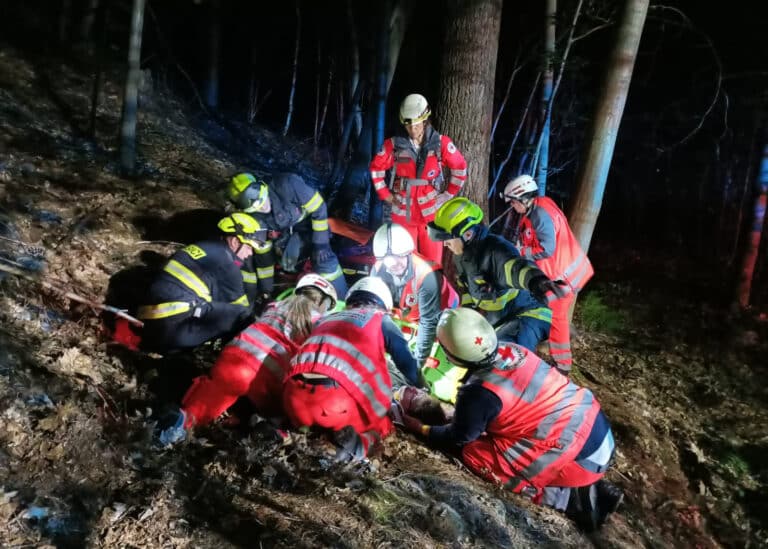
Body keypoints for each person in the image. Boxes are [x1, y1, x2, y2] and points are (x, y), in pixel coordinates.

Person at [396, 307, 623, 532]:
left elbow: (457, 438)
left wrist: (421, 428)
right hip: (595, 427)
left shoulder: (479, 393)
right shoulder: (512, 350)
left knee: (475, 454)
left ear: (451, 353)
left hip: (578, 455)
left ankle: (575, 502)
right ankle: (591, 486)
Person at [156, 274, 338, 445]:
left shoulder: (275, 305)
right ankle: (262, 427)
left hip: (233, 360)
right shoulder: (318, 323)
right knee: (284, 414)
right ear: (322, 301)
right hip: (267, 378)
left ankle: (174, 426)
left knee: (200, 407)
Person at [282, 276, 421, 462]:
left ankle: (282, 433)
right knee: (384, 425)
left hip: (293, 399)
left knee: (305, 424)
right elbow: (407, 364)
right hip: (335, 406)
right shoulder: (381, 320)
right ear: (383, 305)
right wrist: (422, 387)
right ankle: (351, 450)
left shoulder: (325, 319)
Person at [428, 197, 566, 355]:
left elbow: (516, 268)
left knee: (505, 356)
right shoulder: (461, 256)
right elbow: (467, 289)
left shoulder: (495, 250)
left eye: (448, 239)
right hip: (501, 318)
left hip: (528, 314)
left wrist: (536, 280)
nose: (445, 244)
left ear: (466, 234)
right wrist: (467, 317)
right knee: (477, 352)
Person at [136, 213, 270, 354]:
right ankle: (218, 354)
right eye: (249, 247)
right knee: (239, 313)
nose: (250, 254)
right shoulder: (227, 265)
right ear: (235, 242)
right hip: (171, 328)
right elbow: (242, 311)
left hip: (148, 317)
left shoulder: (203, 246)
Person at [501, 175, 594, 373]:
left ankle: (562, 366)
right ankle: (560, 362)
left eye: (513, 203)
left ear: (523, 198)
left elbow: (547, 248)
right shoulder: (542, 205)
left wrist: (521, 250)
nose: (513, 207)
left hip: (563, 278)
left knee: (558, 320)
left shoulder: (539, 215)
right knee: (554, 316)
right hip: (562, 274)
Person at [369, 93, 467, 265]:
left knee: (433, 264)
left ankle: (434, 290)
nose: (413, 129)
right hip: (403, 210)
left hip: (432, 213)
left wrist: (448, 194)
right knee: (407, 261)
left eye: (416, 124)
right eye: (409, 125)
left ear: (425, 120)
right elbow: (376, 169)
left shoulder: (440, 144)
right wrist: (387, 196)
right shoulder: (393, 145)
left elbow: (459, 167)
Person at [227, 172, 348, 298]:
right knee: (287, 263)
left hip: (310, 227)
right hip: (286, 238)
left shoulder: (288, 184)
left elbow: (319, 208)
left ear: (261, 186)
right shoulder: (253, 220)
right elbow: (264, 256)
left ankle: (342, 297)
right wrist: (266, 290)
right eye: (256, 208)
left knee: (325, 260)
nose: (263, 208)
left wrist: (321, 244)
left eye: (263, 201)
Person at [370, 222, 459, 365]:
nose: (395, 264)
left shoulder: (427, 276)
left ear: (408, 253)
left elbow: (428, 322)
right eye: (389, 261)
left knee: (441, 343)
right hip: (410, 315)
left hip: (441, 312)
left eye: (399, 257)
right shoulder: (378, 269)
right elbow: (373, 307)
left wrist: (417, 363)